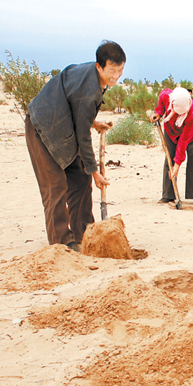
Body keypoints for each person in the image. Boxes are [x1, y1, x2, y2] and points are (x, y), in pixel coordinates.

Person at [25, 40, 125, 251]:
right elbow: (83, 136)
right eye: (113, 70)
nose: (117, 75)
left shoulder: (93, 76)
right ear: (99, 66)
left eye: (121, 70)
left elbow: (76, 109)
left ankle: (85, 233)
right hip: (42, 127)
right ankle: (61, 241)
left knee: (80, 177)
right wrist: (95, 171)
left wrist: (93, 122)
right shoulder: (89, 90)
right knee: (56, 185)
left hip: (63, 126)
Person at [150, 87, 193, 206]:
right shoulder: (166, 95)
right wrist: (159, 113)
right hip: (171, 130)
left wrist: (178, 164)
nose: (179, 114)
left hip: (191, 133)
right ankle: (168, 195)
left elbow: (183, 141)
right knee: (169, 158)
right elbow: (161, 103)